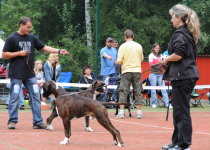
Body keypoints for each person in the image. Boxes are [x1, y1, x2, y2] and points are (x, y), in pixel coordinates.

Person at [2, 16, 68, 130]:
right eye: (28, 27)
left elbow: (44, 47)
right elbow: (4, 55)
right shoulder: (11, 38)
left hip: (30, 75)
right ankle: (12, 121)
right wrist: (18, 53)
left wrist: (58, 50)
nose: (29, 29)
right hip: (16, 75)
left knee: (36, 96)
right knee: (14, 97)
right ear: (21, 25)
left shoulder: (32, 38)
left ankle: (37, 122)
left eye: (30, 27)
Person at [161, 4, 200, 150]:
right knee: (178, 110)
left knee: (181, 111)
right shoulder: (188, 33)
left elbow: (178, 55)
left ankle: (183, 145)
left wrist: (165, 59)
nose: (171, 20)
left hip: (182, 77)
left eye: (172, 17)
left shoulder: (180, 34)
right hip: (184, 76)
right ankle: (177, 141)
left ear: (178, 18)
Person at [115, 29, 144, 119]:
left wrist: (121, 61)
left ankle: (122, 112)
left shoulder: (122, 46)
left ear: (125, 37)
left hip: (126, 70)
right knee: (138, 90)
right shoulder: (139, 46)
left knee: (124, 91)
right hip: (137, 70)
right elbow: (141, 59)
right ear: (133, 36)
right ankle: (139, 112)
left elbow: (119, 60)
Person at [148, 43, 169, 108]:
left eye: (158, 48)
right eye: (156, 48)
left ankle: (167, 104)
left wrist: (164, 64)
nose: (157, 49)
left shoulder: (161, 55)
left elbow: (162, 65)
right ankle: (154, 104)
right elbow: (151, 65)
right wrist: (158, 63)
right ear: (153, 48)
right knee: (153, 90)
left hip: (160, 74)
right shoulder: (151, 55)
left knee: (163, 89)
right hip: (153, 74)